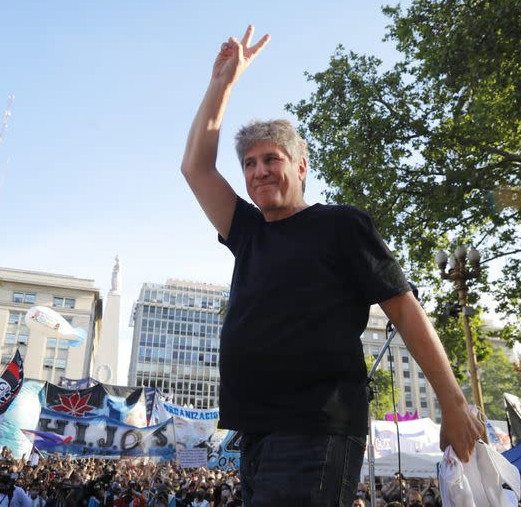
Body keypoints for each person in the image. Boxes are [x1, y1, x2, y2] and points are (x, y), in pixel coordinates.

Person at [181, 25, 483, 506]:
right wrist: (223, 84)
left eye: (271, 159)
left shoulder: (342, 226)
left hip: (317, 426)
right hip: (255, 429)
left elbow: (405, 311)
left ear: (300, 166)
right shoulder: (248, 230)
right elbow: (196, 167)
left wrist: (452, 400)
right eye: (250, 163)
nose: (259, 171)